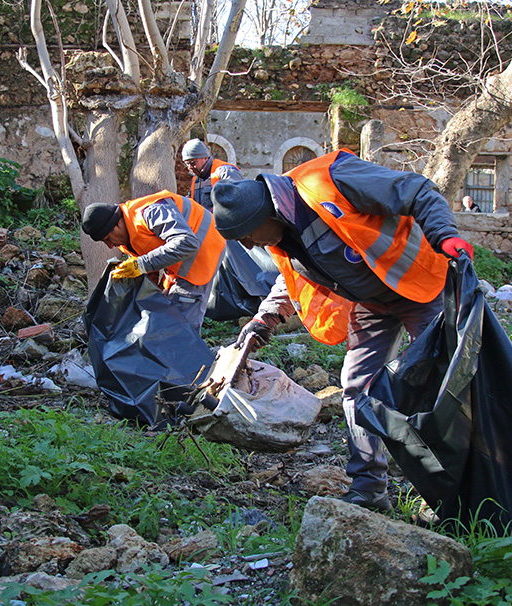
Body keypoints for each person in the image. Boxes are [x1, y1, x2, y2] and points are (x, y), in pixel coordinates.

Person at [210, 149, 473, 512]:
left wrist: (445, 235)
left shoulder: (330, 180)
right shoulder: (281, 235)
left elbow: (417, 189)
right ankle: (369, 488)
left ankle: (474, 480)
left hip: (421, 283)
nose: (249, 244)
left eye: (248, 235)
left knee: (449, 382)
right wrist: (264, 318)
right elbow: (291, 279)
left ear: (266, 213)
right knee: (356, 386)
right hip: (372, 302)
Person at [81, 191, 225, 332]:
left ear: (117, 224)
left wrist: (141, 264)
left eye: (107, 238)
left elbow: (187, 242)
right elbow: (150, 265)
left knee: (181, 322)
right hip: (181, 257)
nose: (110, 246)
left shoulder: (152, 211)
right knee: (167, 311)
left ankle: (187, 352)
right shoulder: (126, 237)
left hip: (204, 248)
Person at [181, 138, 243, 211]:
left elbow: (238, 202)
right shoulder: (195, 180)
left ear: (205, 157)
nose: (190, 167)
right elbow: (190, 204)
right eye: (187, 164)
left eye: (192, 163)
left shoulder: (225, 172)